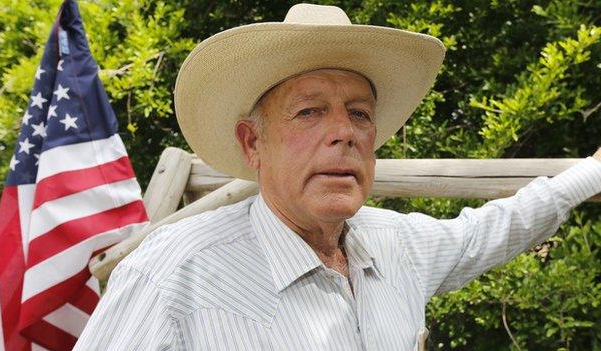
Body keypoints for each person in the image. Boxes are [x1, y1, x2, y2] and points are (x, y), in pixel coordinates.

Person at [74, 4, 601, 350]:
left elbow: (496, 227)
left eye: (360, 113)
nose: (344, 133)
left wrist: (590, 173)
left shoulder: (397, 244)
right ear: (252, 143)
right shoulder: (173, 273)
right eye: (309, 112)